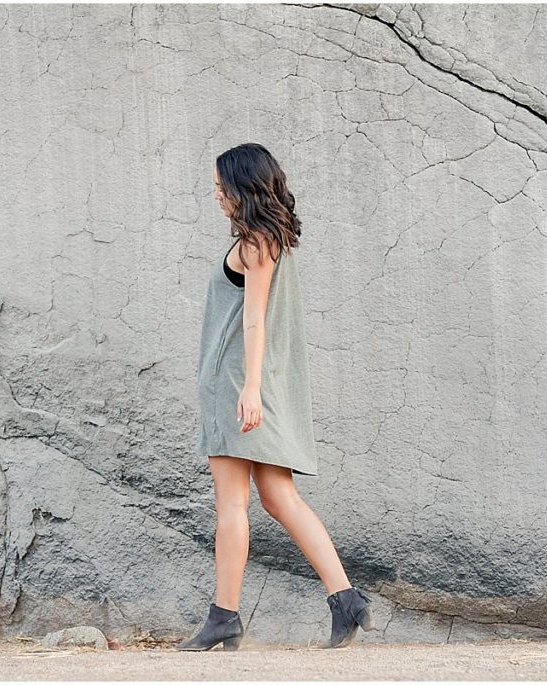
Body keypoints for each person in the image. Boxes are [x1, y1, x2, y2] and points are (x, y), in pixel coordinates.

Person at [176, 143, 376, 651]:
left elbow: (254, 317)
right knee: (278, 497)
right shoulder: (268, 240)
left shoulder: (255, 244)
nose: (216, 193)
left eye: (222, 185)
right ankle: (346, 599)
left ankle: (223, 616)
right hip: (251, 385)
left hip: (237, 386)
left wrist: (248, 388)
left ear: (244, 188)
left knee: (232, 503)